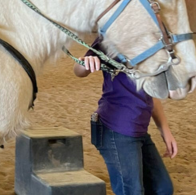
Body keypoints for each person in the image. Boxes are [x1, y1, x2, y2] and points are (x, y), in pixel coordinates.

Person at [74, 39, 177, 195]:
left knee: (162, 188)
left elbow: (151, 92)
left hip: (139, 131)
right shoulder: (109, 38)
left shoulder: (150, 42)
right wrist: (84, 62)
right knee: (132, 191)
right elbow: (79, 70)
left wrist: (165, 129)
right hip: (115, 130)